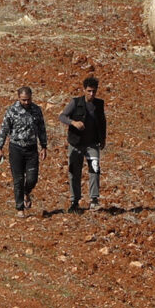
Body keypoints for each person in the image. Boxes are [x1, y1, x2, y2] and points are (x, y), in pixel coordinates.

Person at [0, 86, 49, 215]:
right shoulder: (12, 111)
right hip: (16, 149)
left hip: (31, 149)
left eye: (28, 99)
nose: (26, 102)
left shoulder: (36, 110)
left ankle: (26, 192)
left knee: (32, 178)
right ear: (18, 98)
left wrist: (44, 146)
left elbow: (42, 129)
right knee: (18, 179)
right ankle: (20, 208)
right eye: (23, 100)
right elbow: (4, 130)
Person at [61, 76, 108, 212]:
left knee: (94, 169)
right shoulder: (75, 103)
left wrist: (103, 139)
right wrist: (74, 123)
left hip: (92, 143)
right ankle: (74, 201)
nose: (91, 94)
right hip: (76, 143)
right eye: (89, 91)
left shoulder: (99, 104)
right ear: (84, 90)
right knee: (74, 171)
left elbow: (102, 122)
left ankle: (94, 199)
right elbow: (62, 116)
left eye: (94, 91)